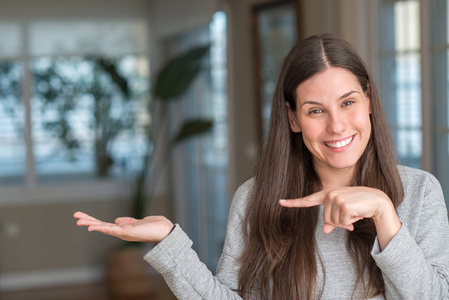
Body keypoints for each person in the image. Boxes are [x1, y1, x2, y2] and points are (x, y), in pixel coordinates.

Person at [74, 33, 449, 299]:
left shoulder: (418, 192)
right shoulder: (256, 198)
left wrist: (385, 214)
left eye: (348, 102)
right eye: (315, 110)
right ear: (293, 118)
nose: (336, 125)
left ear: (368, 101)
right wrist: (169, 243)